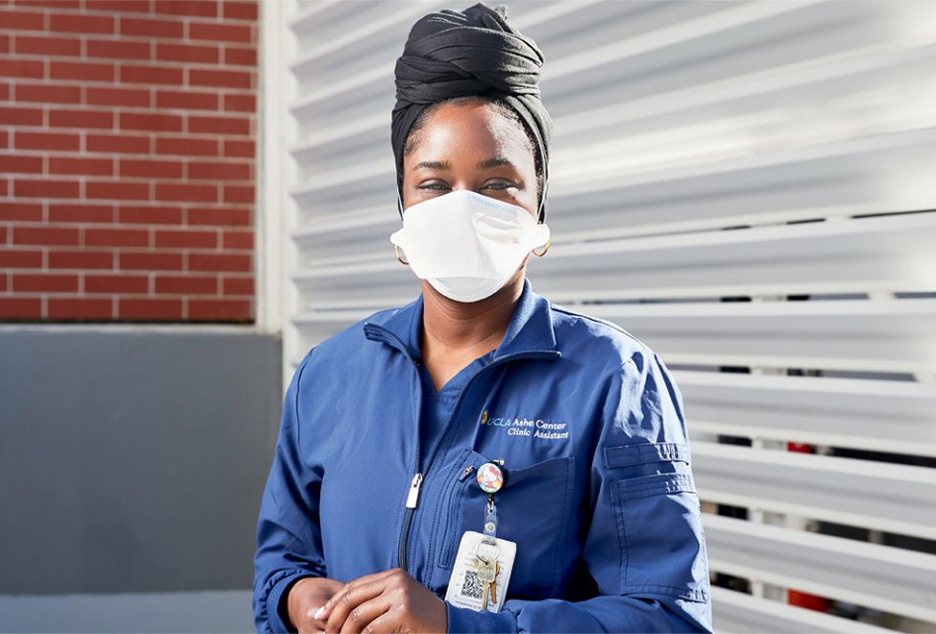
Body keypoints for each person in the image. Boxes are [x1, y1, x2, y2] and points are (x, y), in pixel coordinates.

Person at [253, 3, 713, 633]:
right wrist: (298, 602)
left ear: (537, 206)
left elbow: (667, 619)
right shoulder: (329, 374)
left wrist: (456, 626)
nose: (464, 208)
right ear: (404, 203)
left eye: (498, 184)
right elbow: (282, 560)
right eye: (434, 185)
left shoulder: (613, 381)